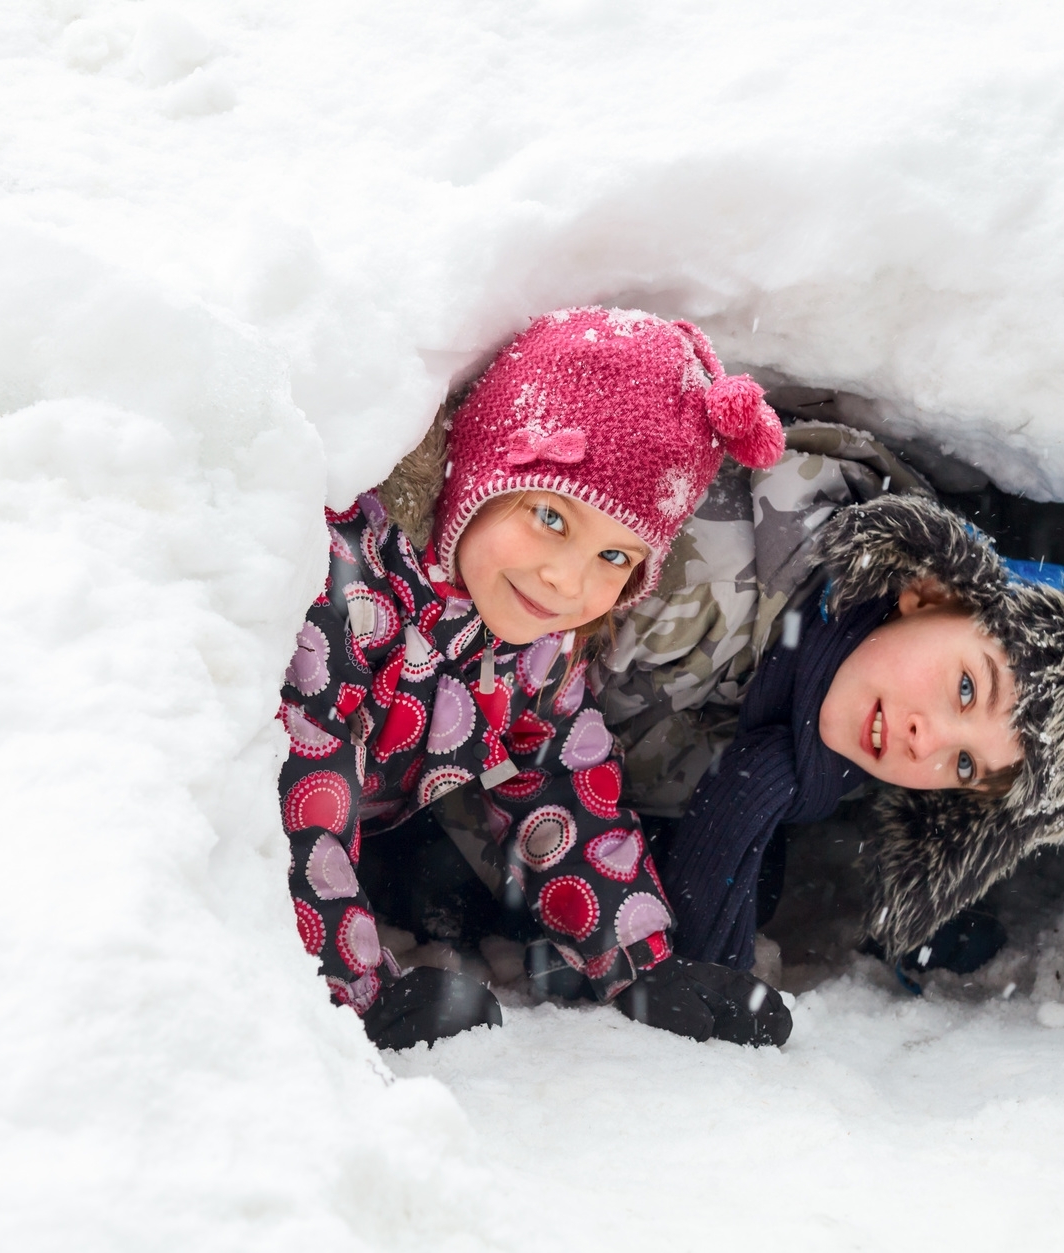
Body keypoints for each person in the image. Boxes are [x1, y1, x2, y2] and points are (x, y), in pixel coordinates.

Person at [399, 415, 1064, 1035]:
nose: (929, 740)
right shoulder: (711, 561)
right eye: (965, 687)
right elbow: (502, 694)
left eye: (965, 767)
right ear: (929, 594)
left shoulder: (833, 754)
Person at [278, 306, 791, 1052]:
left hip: (377, 819)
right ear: (484, 472)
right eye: (551, 516)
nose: (566, 579)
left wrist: (641, 964)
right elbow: (299, 792)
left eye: (615, 558)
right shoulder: (351, 587)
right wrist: (356, 991)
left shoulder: (535, 641)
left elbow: (559, 782)